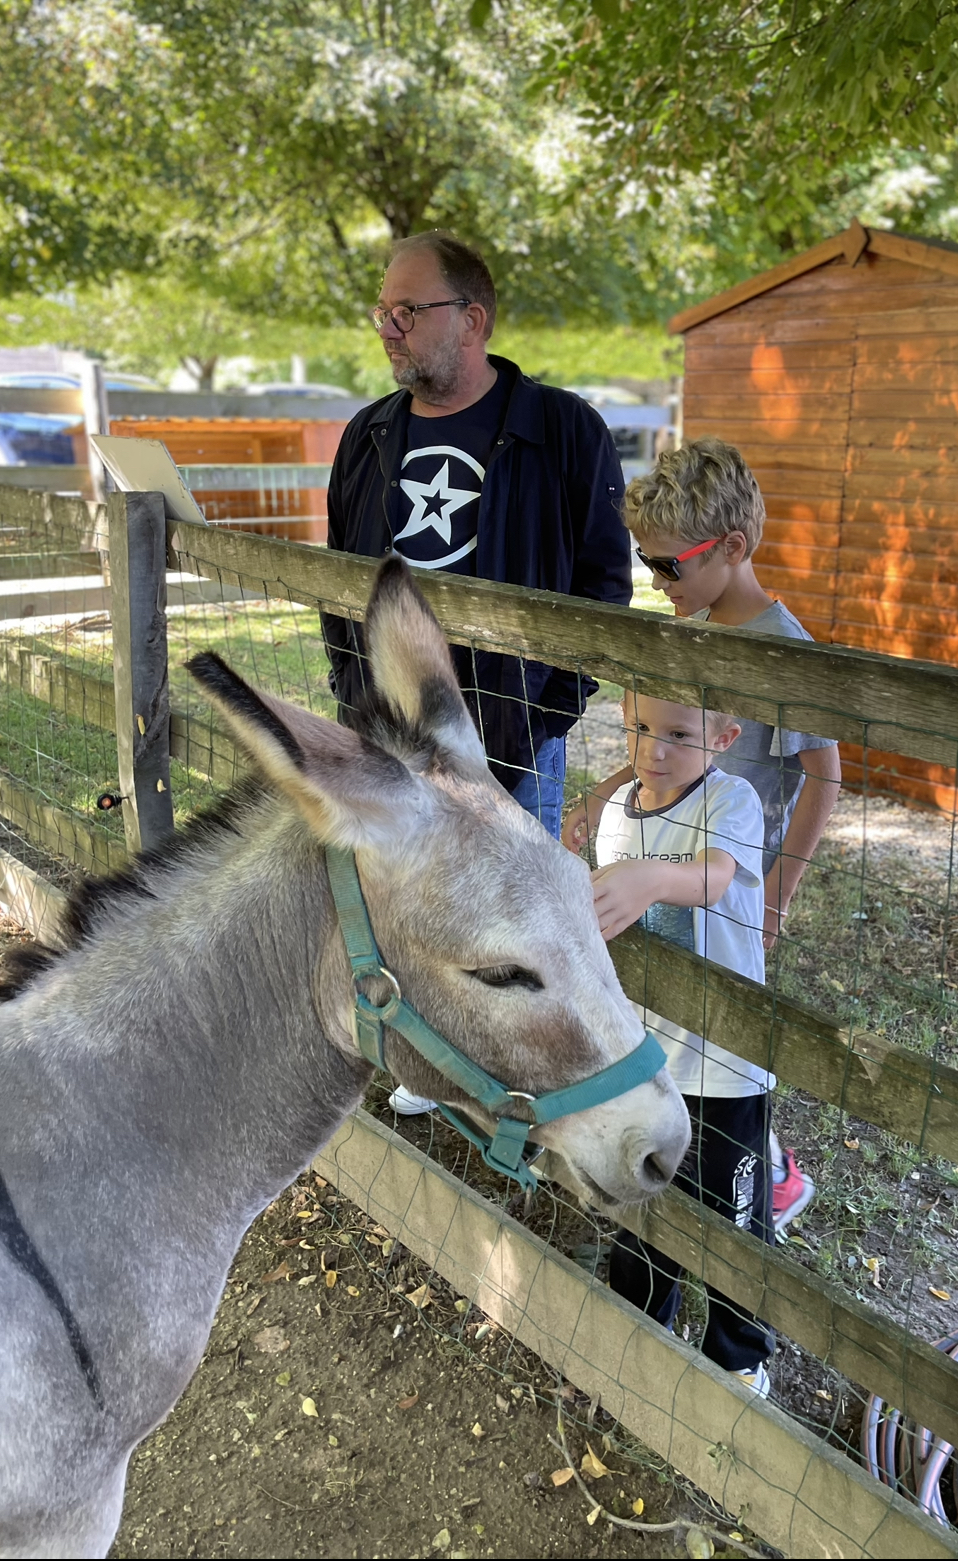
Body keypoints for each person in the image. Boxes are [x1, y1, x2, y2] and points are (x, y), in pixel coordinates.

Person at [322, 230, 631, 1117]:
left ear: (474, 319)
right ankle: (435, 1063)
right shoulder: (367, 437)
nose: (390, 328)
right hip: (393, 745)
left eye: (409, 311)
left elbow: (603, 593)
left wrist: (548, 716)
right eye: (385, 311)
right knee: (411, 912)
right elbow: (338, 582)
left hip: (513, 742)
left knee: (519, 924)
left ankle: (552, 1089)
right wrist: (355, 695)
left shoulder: (563, 432)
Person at [563, 436, 842, 1234]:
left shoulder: (784, 652)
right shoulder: (689, 632)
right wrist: (607, 789)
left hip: (731, 879)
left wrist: (777, 895)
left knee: (728, 1043)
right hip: (671, 858)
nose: (657, 582)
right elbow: (668, 743)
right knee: (678, 1024)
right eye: (647, 565)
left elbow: (825, 778)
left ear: (732, 548)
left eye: (669, 567)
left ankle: (770, 1177)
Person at [590, 687, 775, 1398]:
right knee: (642, 1195)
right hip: (645, 1058)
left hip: (726, 1062)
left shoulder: (730, 802)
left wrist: (650, 878)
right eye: (638, 727)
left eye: (677, 733)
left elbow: (715, 876)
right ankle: (641, 1317)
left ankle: (737, 1351)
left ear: (726, 735)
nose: (653, 749)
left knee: (731, 1212)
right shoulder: (615, 812)